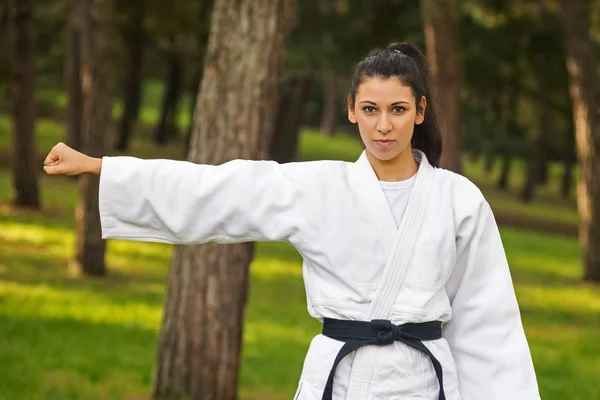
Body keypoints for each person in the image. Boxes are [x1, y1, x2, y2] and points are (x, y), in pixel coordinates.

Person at [43, 42, 541, 400]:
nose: (384, 125)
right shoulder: (318, 188)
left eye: (397, 109)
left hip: (423, 384)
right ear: (351, 111)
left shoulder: (459, 200)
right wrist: (102, 167)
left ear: (420, 110)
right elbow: (219, 190)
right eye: (370, 109)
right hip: (341, 381)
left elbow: (487, 322)